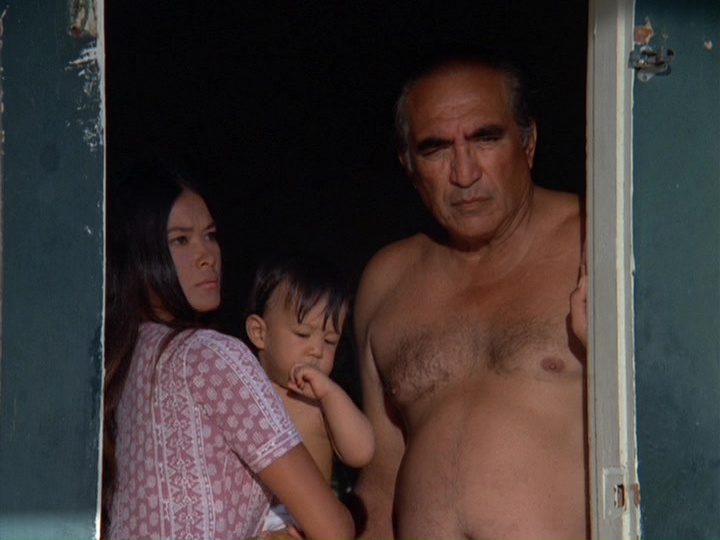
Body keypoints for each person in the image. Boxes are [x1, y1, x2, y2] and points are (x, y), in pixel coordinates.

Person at [351, 51, 588, 540]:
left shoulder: (597, 243)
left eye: (485, 138)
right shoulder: (387, 281)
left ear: (528, 142)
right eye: (436, 149)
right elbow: (380, 482)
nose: (464, 173)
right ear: (409, 165)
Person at [102, 159, 354, 540]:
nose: (207, 255)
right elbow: (332, 528)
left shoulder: (120, 362)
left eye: (210, 235)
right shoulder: (213, 356)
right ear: (139, 253)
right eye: (181, 240)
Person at [243, 251, 375, 532]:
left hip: (306, 525)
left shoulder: (321, 402)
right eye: (303, 334)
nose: (316, 350)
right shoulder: (239, 391)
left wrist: (330, 395)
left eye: (330, 341)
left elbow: (361, 452)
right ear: (259, 333)